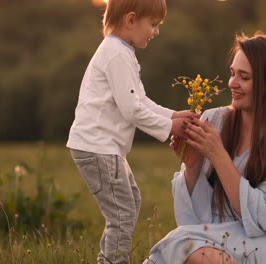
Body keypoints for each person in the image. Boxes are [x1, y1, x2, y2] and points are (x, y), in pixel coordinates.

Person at [144, 32, 266, 264]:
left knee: (182, 244)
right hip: (219, 236)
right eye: (232, 73)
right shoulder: (214, 119)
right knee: (182, 244)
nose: (232, 83)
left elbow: (264, 219)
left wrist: (218, 155)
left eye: (244, 77)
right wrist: (193, 165)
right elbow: (195, 222)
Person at [66, 0, 197, 263]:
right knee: (122, 214)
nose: (156, 31)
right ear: (130, 20)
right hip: (98, 146)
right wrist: (171, 127)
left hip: (104, 147)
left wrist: (173, 115)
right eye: (153, 24)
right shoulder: (116, 55)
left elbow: (140, 101)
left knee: (131, 202)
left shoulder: (122, 52)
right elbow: (132, 111)